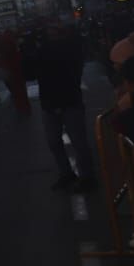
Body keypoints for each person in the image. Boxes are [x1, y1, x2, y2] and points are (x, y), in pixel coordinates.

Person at [25, 22, 98, 192]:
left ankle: (86, 177)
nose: (52, 38)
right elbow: (30, 73)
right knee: (55, 142)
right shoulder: (42, 52)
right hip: (51, 104)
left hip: (68, 102)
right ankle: (67, 173)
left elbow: (71, 75)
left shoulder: (69, 51)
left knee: (78, 142)